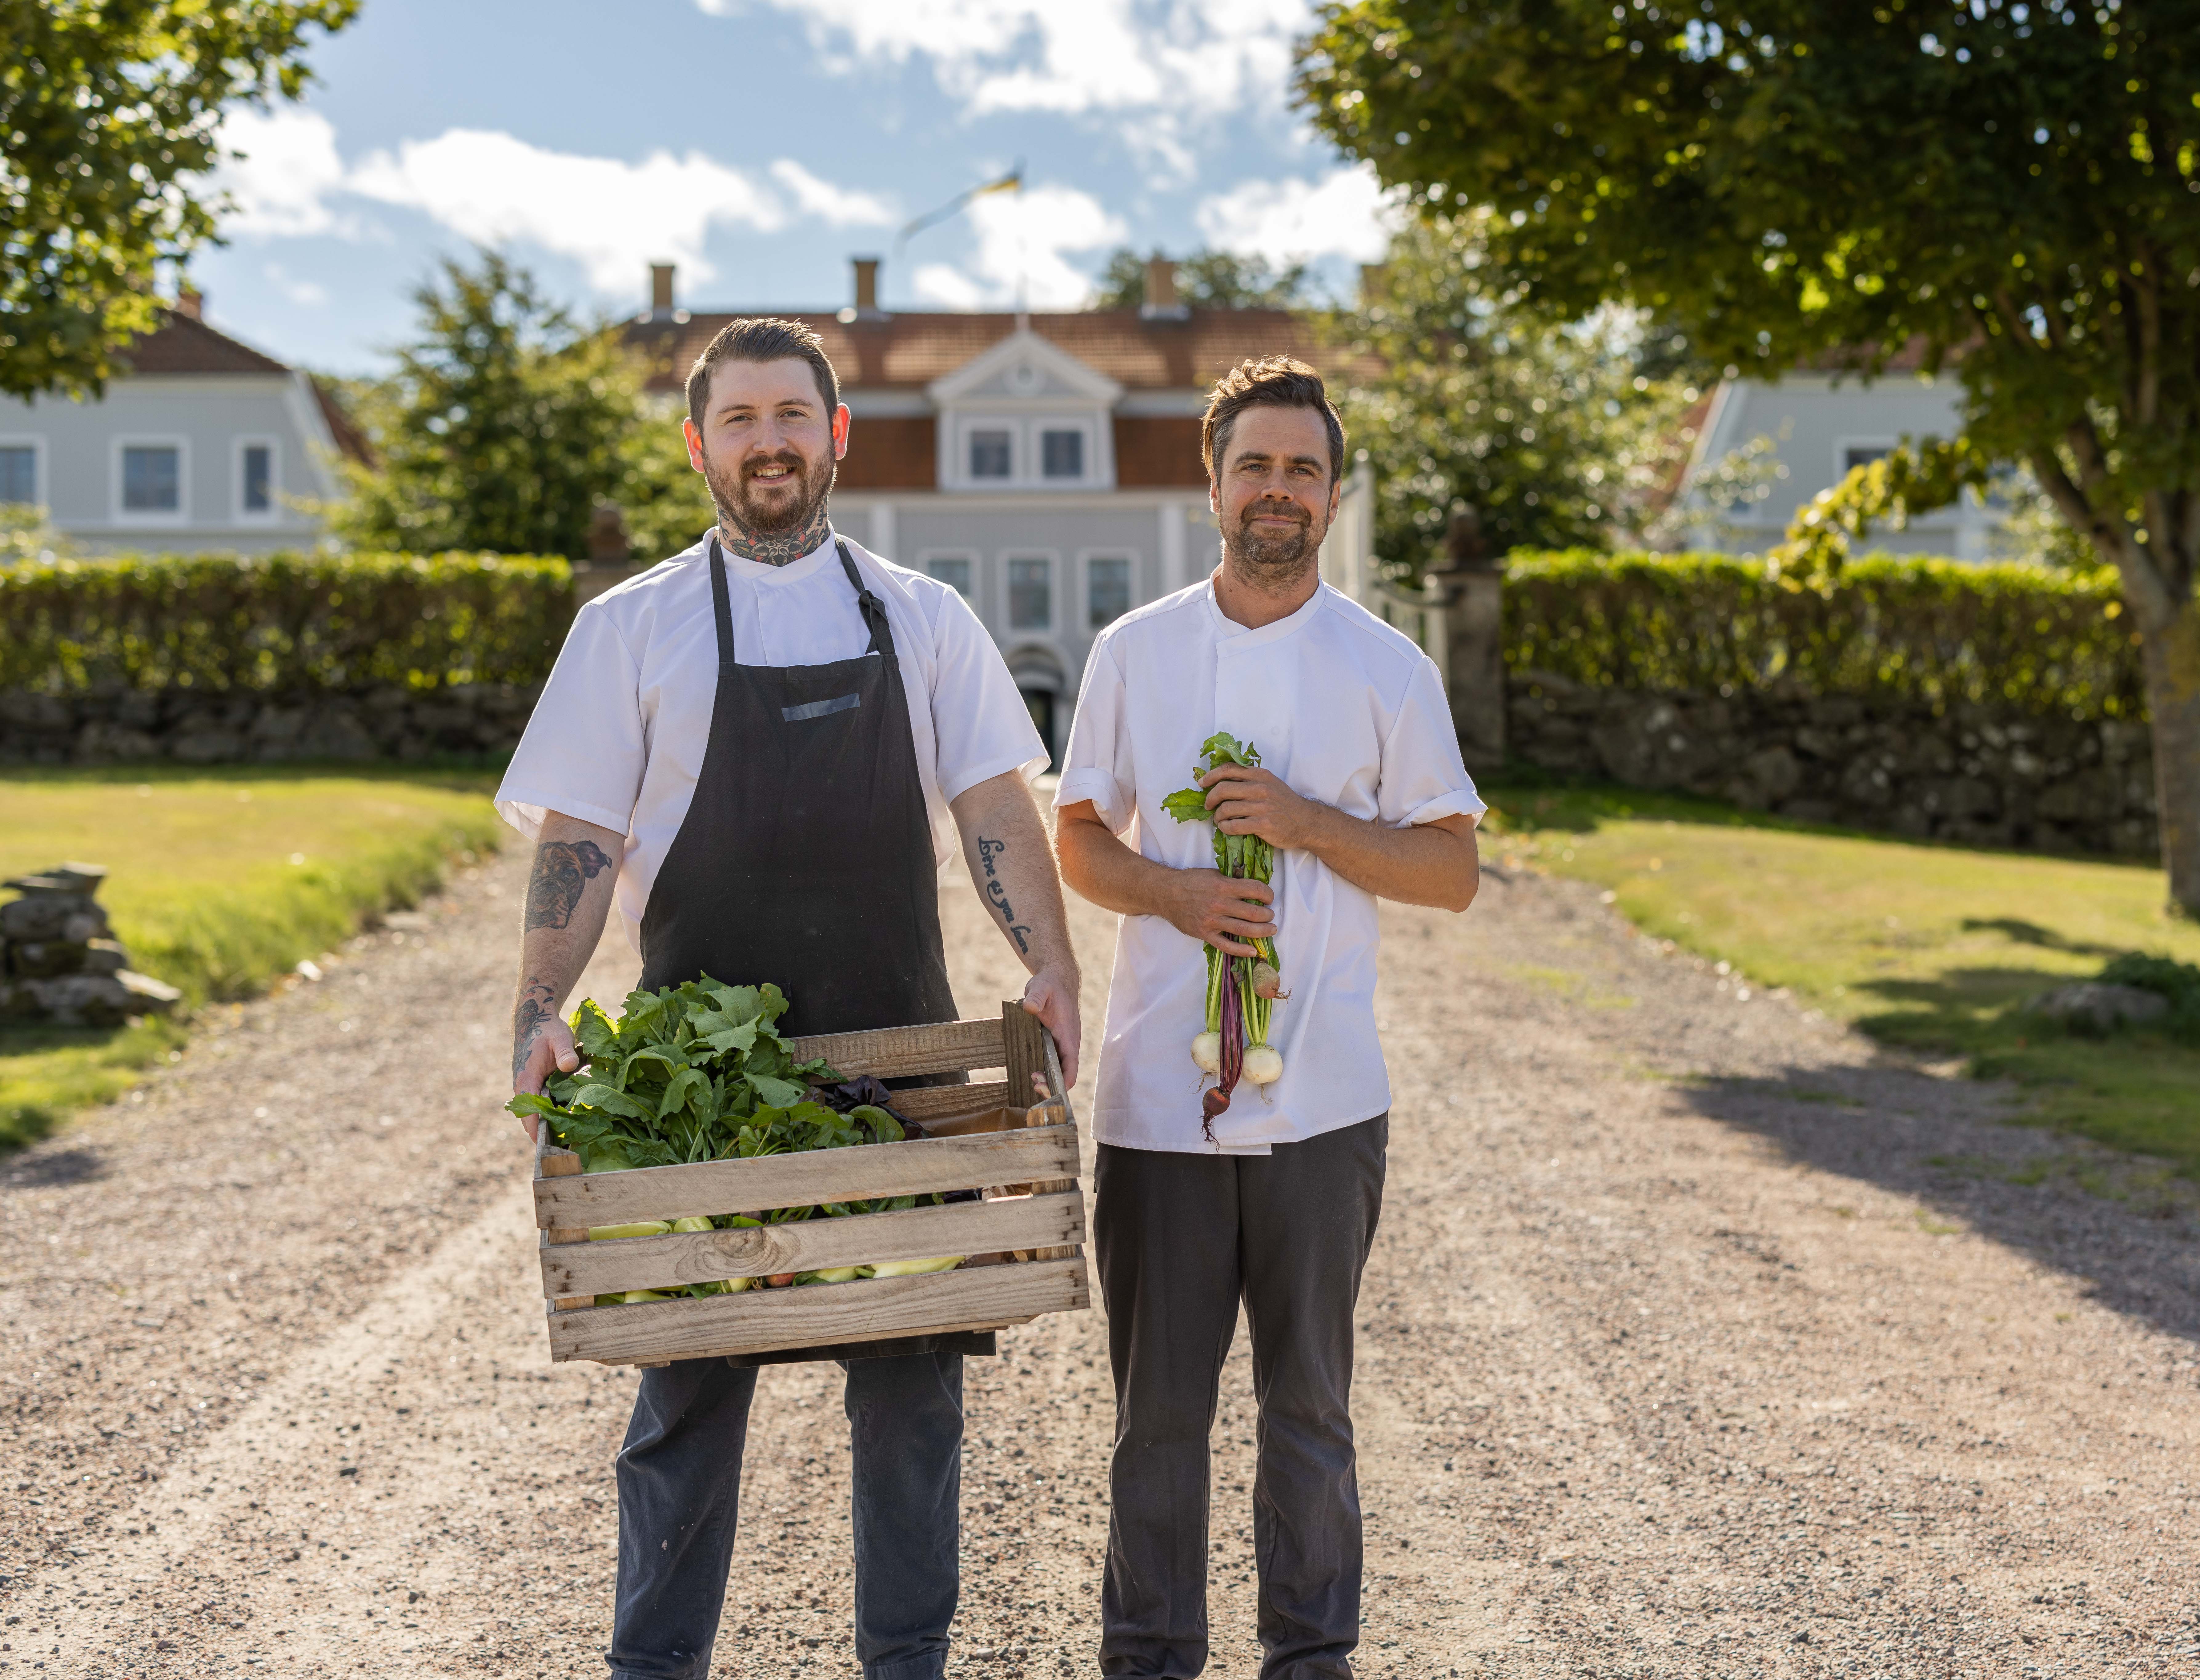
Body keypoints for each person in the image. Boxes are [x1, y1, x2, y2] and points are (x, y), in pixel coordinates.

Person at [494, 316, 1082, 1680]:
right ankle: (655, 1667)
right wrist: (537, 1006)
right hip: (702, 1094)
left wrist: (1050, 969)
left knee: (913, 1396)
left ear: (838, 435)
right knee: (686, 1393)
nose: (769, 441)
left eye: (790, 415)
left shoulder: (922, 618)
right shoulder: (628, 626)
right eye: (741, 419)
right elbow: (577, 843)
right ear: (699, 444)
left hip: (900, 1062)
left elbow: (995, 801)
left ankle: (905, 1665)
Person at [1053, 356, 1484, 1678]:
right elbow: (1075, 837)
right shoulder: (1135, 652)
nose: (1278, 491)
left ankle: (1311, 1657)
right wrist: (1177, 894)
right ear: (1212, 484)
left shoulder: (1387, 667)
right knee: (1157, 1417)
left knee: (1308, 1405)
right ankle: (1151, 1655)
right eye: (1255, 465)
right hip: (1154, 1108)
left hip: (1326, 1108)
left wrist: (1303, 824)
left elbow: (1452, 871)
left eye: (1303, 469)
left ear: (1334, 494)